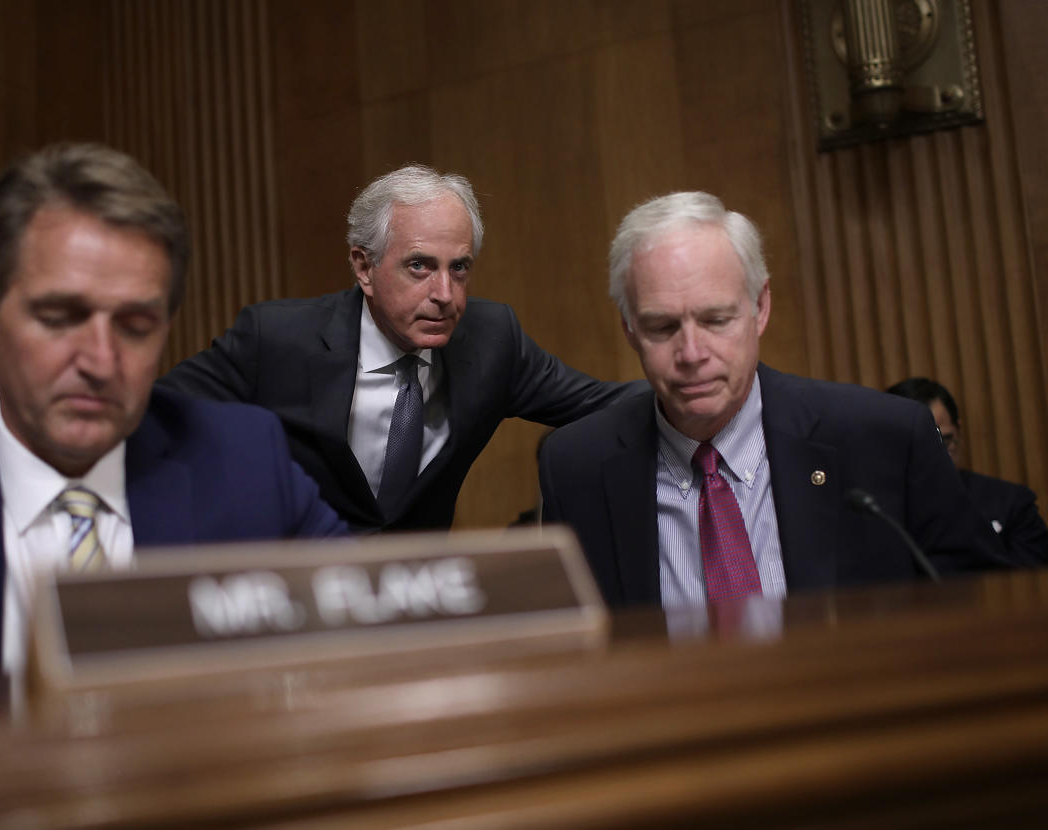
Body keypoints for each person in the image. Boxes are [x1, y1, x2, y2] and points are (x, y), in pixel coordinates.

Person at [0, 143, 347, 679]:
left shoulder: (245, 462)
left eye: (135, 325)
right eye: (61, 316)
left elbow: (375, 635)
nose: (101, 361)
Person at [539, 191, 1001, 609]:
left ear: (760, 308)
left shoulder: (886, 438)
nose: (693, 354)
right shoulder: (578, 467)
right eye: (662, 327)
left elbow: (983, 606)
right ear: (629, 329)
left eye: (716, 319)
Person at [160, 164, 639, 532]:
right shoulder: (278, 340)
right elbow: (159, 415)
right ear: (363, 267)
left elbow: (606, 406)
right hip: (299, 599)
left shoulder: (492, 340)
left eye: (460, 268)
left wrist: (708, 393)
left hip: (417, 601)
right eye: (419, 266)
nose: (445, 295)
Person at [887, 377, 1048, 566]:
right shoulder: (878, 514)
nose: (935, 456)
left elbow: (1032, 585)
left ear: (959, 431)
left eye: (945, 440)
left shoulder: (1011, 504)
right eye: (921, 445)